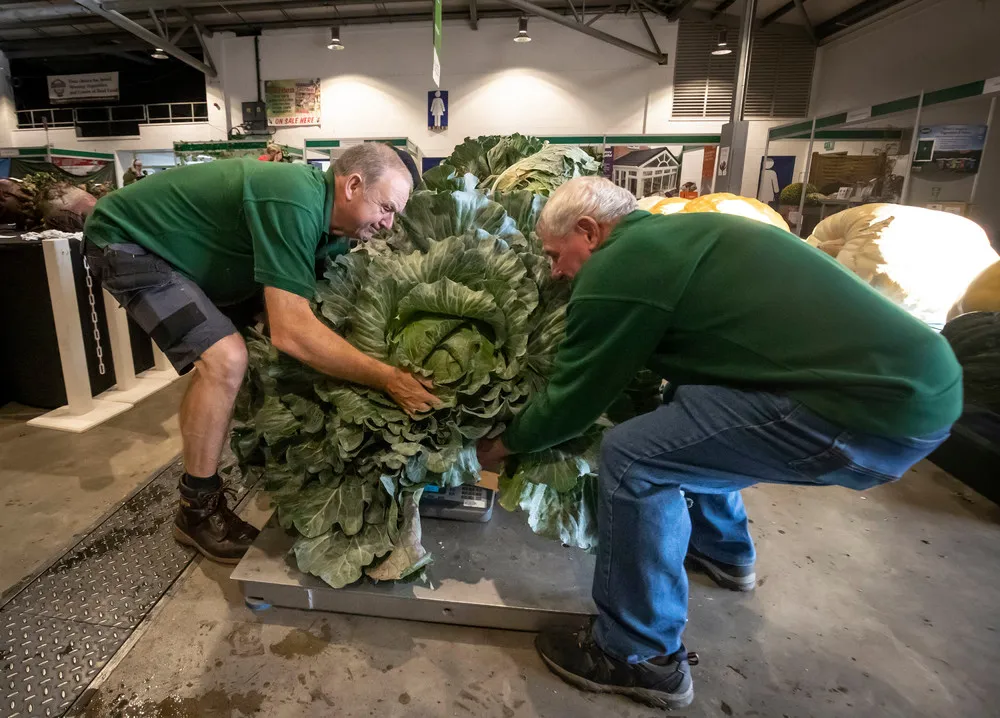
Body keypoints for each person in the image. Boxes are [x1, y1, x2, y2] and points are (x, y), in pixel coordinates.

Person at [476, 176, 961, 710]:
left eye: (555, 254)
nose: (555, 272)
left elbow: (575, 399)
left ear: (588, 232)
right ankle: (724, 553)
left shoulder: (619, 267)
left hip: (868, 415)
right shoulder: (693, 233)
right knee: (689, 405)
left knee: (635, 458)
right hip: (923, 388)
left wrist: (504, 444)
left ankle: (640, 656)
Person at [84, 144, 441, 564]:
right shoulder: (293, 197)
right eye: (386, 207)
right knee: (226, 360)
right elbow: (293, 332)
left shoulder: (336, 233)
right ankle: (196, 513)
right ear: (353, 185)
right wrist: (386, 378)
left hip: (198, 261)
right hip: (128, 242)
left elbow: (319, 318)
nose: (389, 223)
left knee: (238, 358)